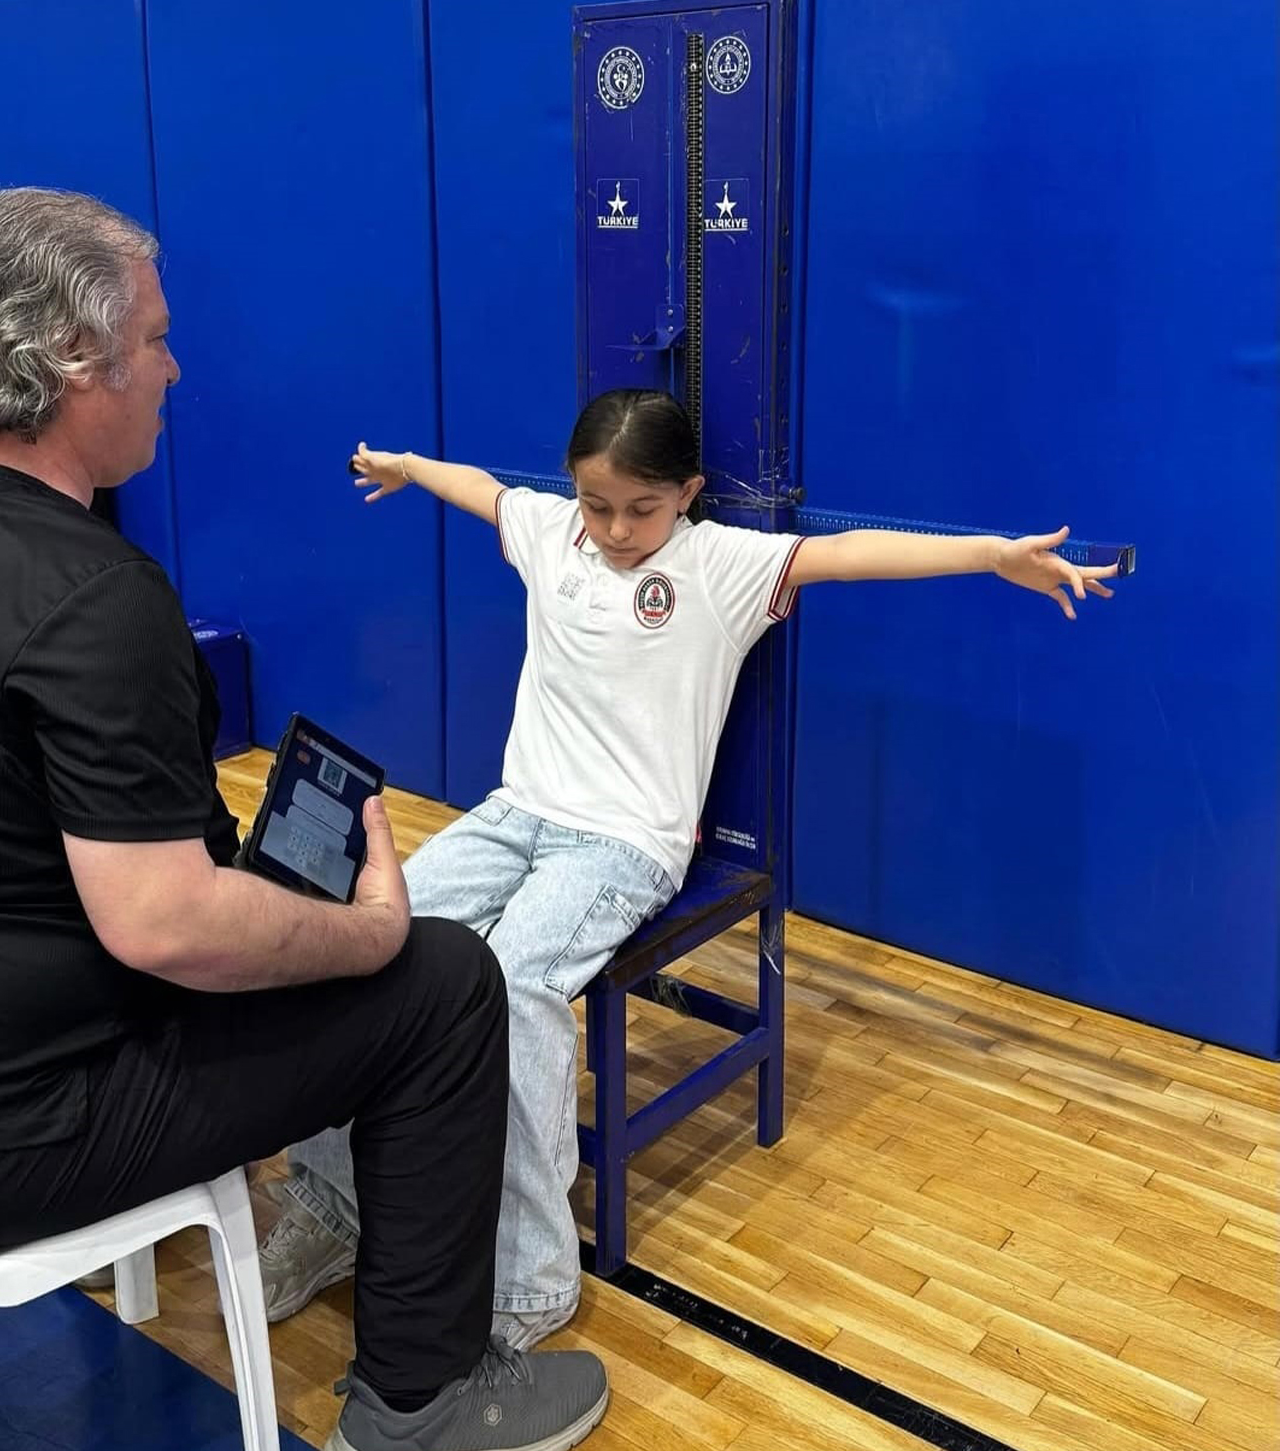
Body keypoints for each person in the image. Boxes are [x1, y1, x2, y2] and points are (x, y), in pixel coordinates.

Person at [260, 389, 1119, 1348]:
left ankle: (529, 1280)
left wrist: (993, 556)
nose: (617, 530)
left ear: (688, 493)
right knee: (361, 940)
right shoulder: (549, 533)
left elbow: (848, 554)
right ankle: (329, 1207)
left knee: (511, 986)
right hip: (514, 814)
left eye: (643, 508)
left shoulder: (719, 565)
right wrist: (407, 468)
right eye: (597, 504)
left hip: (623, 844)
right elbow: (481, 491)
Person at [0, 186, 607, 1451]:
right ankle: (421, 1399)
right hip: (25, 1121)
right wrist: (368, 932)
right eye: (156, 338)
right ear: (73, 359)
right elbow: (165, 924)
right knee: (440, 978)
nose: (174, 368)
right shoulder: (91, 598)